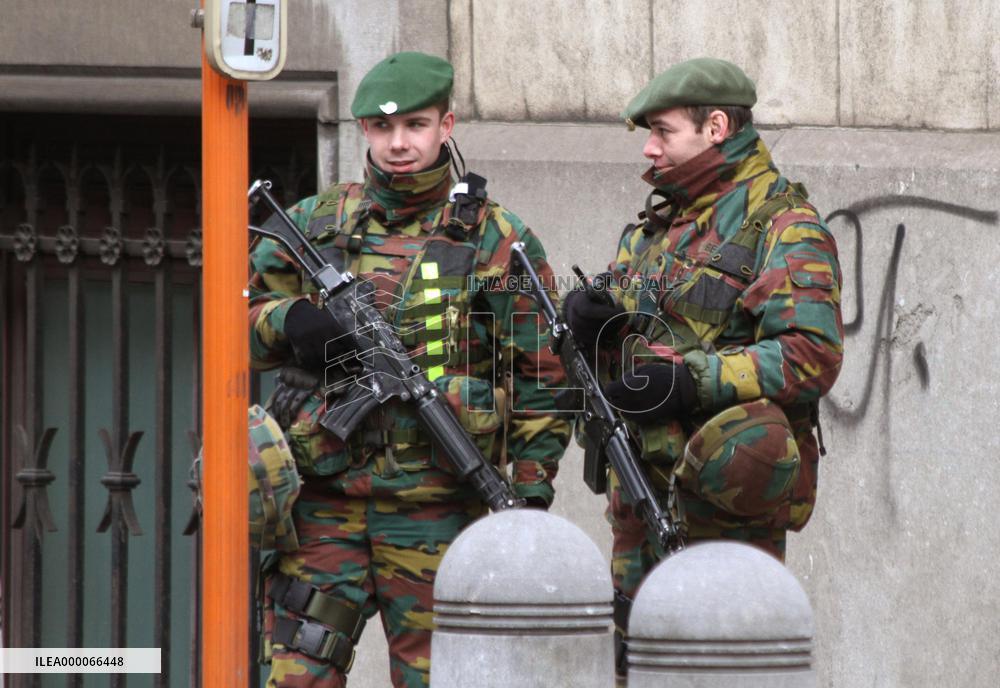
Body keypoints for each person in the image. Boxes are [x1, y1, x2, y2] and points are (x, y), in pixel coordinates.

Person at [248, 51, 570, 688]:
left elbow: (543, 375)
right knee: (294, 676)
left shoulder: (494, 238)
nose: (399, 144)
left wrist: (528, 498)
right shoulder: (316, 223)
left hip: (437, 510)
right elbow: (242, 322)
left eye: (416, 127)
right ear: (363, 129)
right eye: (382, 128)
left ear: (446, 125)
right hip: (322, 504)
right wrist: (289, 321)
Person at [563, 57, 844, 677]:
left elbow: (810, 355)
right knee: (636, 665)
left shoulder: (784, 226)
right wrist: (594, 318)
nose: (649, 146)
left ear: (715, 126)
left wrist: (694, 381)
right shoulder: (658, 226)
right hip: (639, 491)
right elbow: (643, 321)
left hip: (725, 503)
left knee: (720, 668)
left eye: (663, 131)